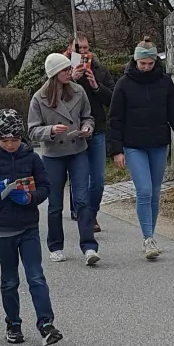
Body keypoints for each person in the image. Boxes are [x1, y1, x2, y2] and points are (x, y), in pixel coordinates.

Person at [0, 109, 63, 346]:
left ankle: (46, 323)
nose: (11, 144)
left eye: (15, 139)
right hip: (4, 229)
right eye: (5, 140)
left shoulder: (32, 158)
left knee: (36, 276)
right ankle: (13, 323)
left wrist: (30, 198)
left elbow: (45, 186)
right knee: (10, 280)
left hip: (29, 227)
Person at [109, 37, 174, 260]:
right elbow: (114, 119)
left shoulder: (164, 82)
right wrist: (117, 150)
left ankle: (151, 235)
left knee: (155, 192)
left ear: (155, 62)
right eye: (142, 64)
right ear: (135, 61)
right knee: (144, 190)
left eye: (150, 64)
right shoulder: (124, 84)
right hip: (133, 145)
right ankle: (148, 238)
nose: (146, 67)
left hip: (158, 143)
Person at [29, 53, 100, 266]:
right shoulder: (38, 98)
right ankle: (56, 246)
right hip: (53, 155)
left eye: (69, 69)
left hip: (77, 149)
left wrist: (87, 128)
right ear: (54, 74)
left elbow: (88, 116)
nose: (70, 73)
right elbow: (32, 130)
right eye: (65, 70)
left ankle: (89, 247)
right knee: (55, 204)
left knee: (82, 200)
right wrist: (50, 130)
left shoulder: (78, 91)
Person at [67, 34, 115, 233]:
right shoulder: (63, 72)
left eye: (86, 48)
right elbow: (53, 98)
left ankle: (92, 212)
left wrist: (96, 86)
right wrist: (71, 80)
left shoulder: (100, 71)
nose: (83, 52)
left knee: (98, 179)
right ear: (71, 50)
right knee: (79, 177)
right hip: (73, 132)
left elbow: (112, 99)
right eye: (79, 48)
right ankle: (81, 212)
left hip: (97, 130)